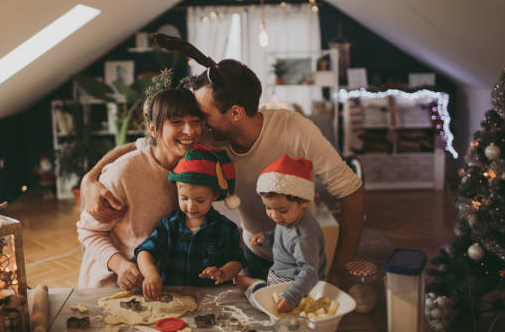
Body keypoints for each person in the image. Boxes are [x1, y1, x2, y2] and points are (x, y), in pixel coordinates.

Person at [81, 57, 364, 286]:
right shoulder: (209, 135)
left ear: (236, 114)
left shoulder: (296, 130)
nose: (195, 127)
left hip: (300, 257)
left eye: (202, 116)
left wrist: (339, 270)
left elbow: (350, 190)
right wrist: (91, 177)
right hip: (252, 254)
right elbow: (145, 145)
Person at [76, 86, 203, 289]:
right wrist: (121, 266)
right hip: (112, 285)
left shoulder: (197, 167)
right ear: (153, 128)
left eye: (195, 122)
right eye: (176, 122)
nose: (189, 130)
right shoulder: (124, 172)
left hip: (162, 285)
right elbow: (89, 232)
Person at [135, 144, 244, 300]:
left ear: (214, 195)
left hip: (212, 299)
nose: (191, 206)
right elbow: (144, 252)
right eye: (184, 198)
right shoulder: (169, 224)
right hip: (172, 298)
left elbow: (237, 260)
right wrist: (151, 274)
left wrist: (223, 272)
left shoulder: (225, 228)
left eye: (199, 200)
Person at [236, 154, 326, 313]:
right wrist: (268, 238)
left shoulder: (303, 236)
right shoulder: (290, 219)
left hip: (295, 288)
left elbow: (310, 272)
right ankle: (255, 284)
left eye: (282, 210)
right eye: (269, 208)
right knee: (242, 284)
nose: (275, 216)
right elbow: (284, 237)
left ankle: (255, 285)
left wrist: (290, 297)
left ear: (304, 201)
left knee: (257, 300)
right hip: (281, 277)